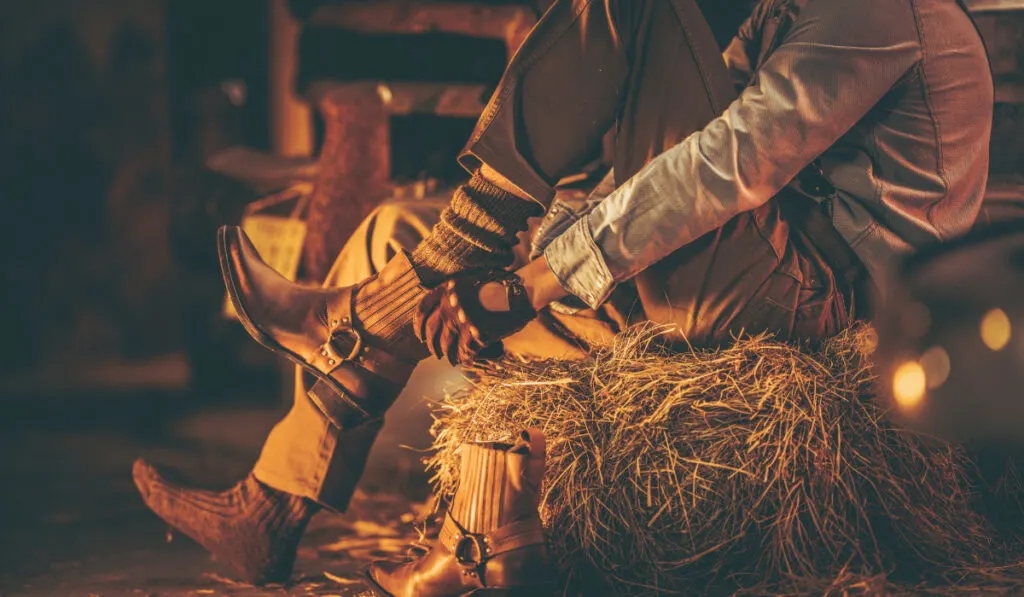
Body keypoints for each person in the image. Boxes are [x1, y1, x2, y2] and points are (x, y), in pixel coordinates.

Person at [133, 0, 993, 593]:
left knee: (634, 5)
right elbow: (649, 163)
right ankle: (273, 506)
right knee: (410, 246)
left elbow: (727, 163)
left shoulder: (885, 10)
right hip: (741, 280)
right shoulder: (791, 11)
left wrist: (531, 280)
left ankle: (372, 314)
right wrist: (519, 252)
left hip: (819, 311)